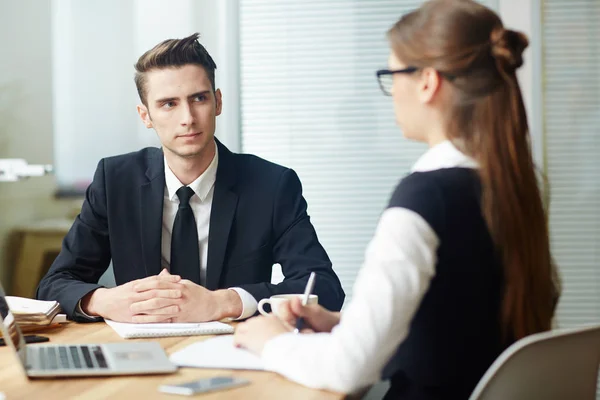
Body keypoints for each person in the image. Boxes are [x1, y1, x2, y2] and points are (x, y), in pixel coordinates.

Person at [233, 1, 560, 398]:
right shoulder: (514, 185)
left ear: (427, 82)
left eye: (392, 74)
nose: (390, 94)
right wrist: (341, 323)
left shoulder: (425, 196)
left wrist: (270, 340)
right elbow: (457, 325)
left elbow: (346, 370)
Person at [37, 33, 344, 323]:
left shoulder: (272, 185)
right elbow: (55, 284)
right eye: (168, 103)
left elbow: (324, 290)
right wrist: (105, 301)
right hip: (140, 351)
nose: (188, 118)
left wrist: (223, 302)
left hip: (237, 350)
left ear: (218, 102)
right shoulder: (115, 180)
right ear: (145, 115)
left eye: (199, 98)